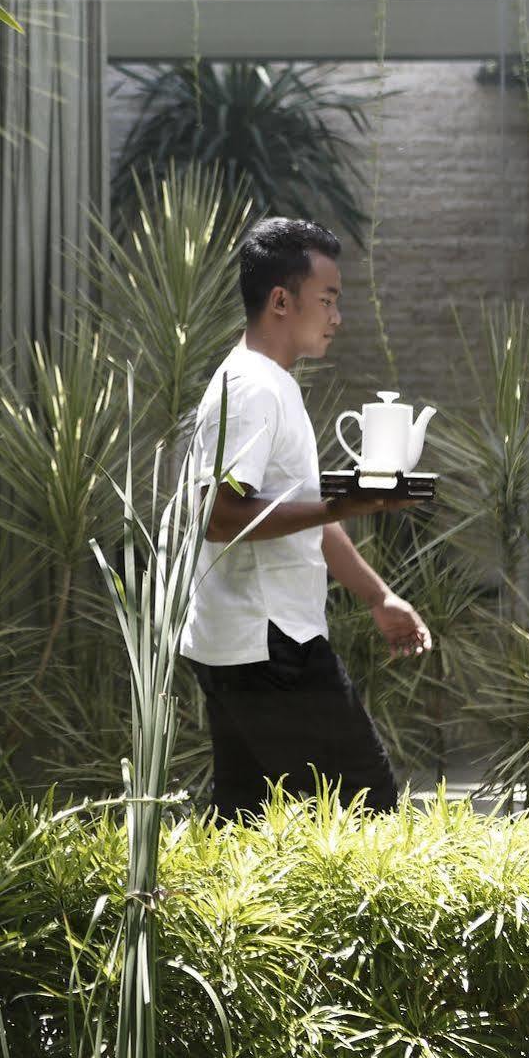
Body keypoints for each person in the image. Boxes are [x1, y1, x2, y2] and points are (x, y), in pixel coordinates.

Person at [180, 217, 432, 822]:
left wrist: (379, 595)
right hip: (269, 645)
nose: (337, 317)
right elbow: (218, 516)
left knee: (245, 827)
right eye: (328, 299)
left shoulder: (268, 383)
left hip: (242, 642)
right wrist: (341, 504)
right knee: (368, 807)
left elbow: (307, 517)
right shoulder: (252, 389)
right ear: (281, 301)